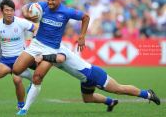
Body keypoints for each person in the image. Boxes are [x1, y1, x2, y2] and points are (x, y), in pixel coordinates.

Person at [17, 45, 160, 115]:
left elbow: (59, 58)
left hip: (94, 74)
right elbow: (37, 66)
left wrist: (41, 57)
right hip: (85, 79)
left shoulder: (59, 48)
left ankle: (148, 94)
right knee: (87, 99)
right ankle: (111, 102)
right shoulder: (47, 52)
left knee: (120, 89)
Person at [12, 0, 90, 114]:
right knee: (16, 70)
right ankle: (31, 81)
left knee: (38, 78)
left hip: (51, 49)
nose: (50, 2)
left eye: (53, 0)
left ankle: (25, 109)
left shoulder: (67, 11)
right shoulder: (42, 6)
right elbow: (26, 6)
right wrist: (26, 14)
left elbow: (85, 17)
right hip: (36, 44)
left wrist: (81, 37)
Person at [0, 0, 37, 111]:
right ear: (1, 11)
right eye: (7, 10)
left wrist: (34, 41)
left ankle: (21, 106)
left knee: (17, 80)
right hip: (5, 60)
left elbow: (36, 28)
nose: (10, 13)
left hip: (20, 59)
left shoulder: (20, 22)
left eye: (11, 10)